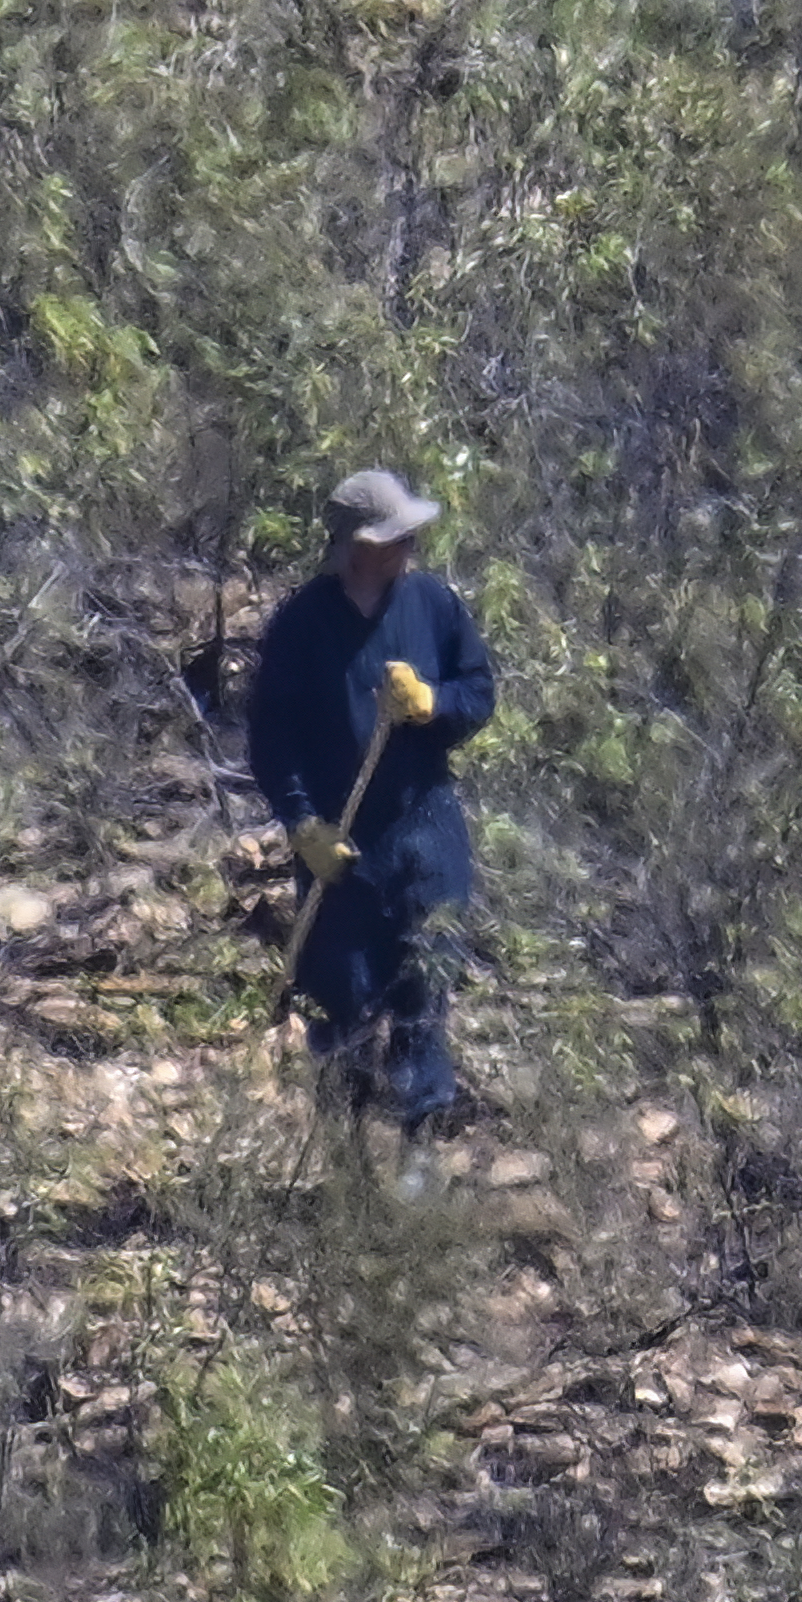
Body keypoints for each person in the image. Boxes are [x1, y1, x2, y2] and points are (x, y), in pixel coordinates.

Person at [245, 468, 505, 1144]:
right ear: (357, 544)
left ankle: (419, 1145)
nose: (410, 542)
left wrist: (432, 703)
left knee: (425, 988)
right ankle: (348, 1163)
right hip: (342, 849)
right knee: (343, 998)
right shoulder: (301, 624)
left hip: (426, 835)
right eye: (395, 534)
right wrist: (303, 824)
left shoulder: (434, 606)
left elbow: (478, 692)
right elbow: (272, 736)